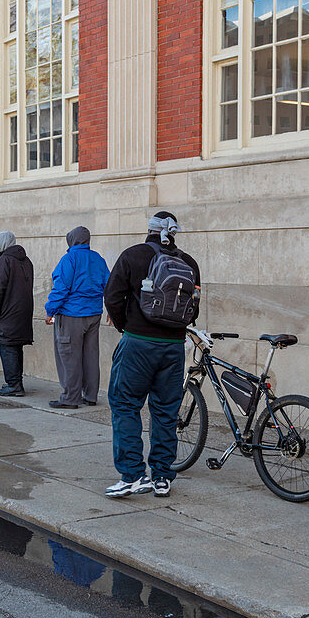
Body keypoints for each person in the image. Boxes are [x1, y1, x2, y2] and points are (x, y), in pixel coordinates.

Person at [103, 211, 200, 499]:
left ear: (149, 229)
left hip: (138, 343)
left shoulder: (133, 255)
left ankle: (133, 475)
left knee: (125, 404)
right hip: (173, 346)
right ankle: (161, 476)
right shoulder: (189, 262)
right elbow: (194, 307)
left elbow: (112, 297)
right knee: (166, 411)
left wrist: (125, 326)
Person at [44, 226, 109, 409]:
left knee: (69, 357)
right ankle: (90, 396)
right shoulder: (98, 259)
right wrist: (111, 310)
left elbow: (60, 289)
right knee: (91, 356)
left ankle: (70, 398)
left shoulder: (69, 259)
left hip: (71, 315)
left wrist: (50, 310)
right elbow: (109, 286)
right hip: (94, 314)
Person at [0, 231, 34, 397]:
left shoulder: (4, 261)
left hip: (8, 312)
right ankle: (16, 382)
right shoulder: (26, 260)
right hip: (23, 311)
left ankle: (14, 384)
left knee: (7, 346)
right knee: (16, 346)